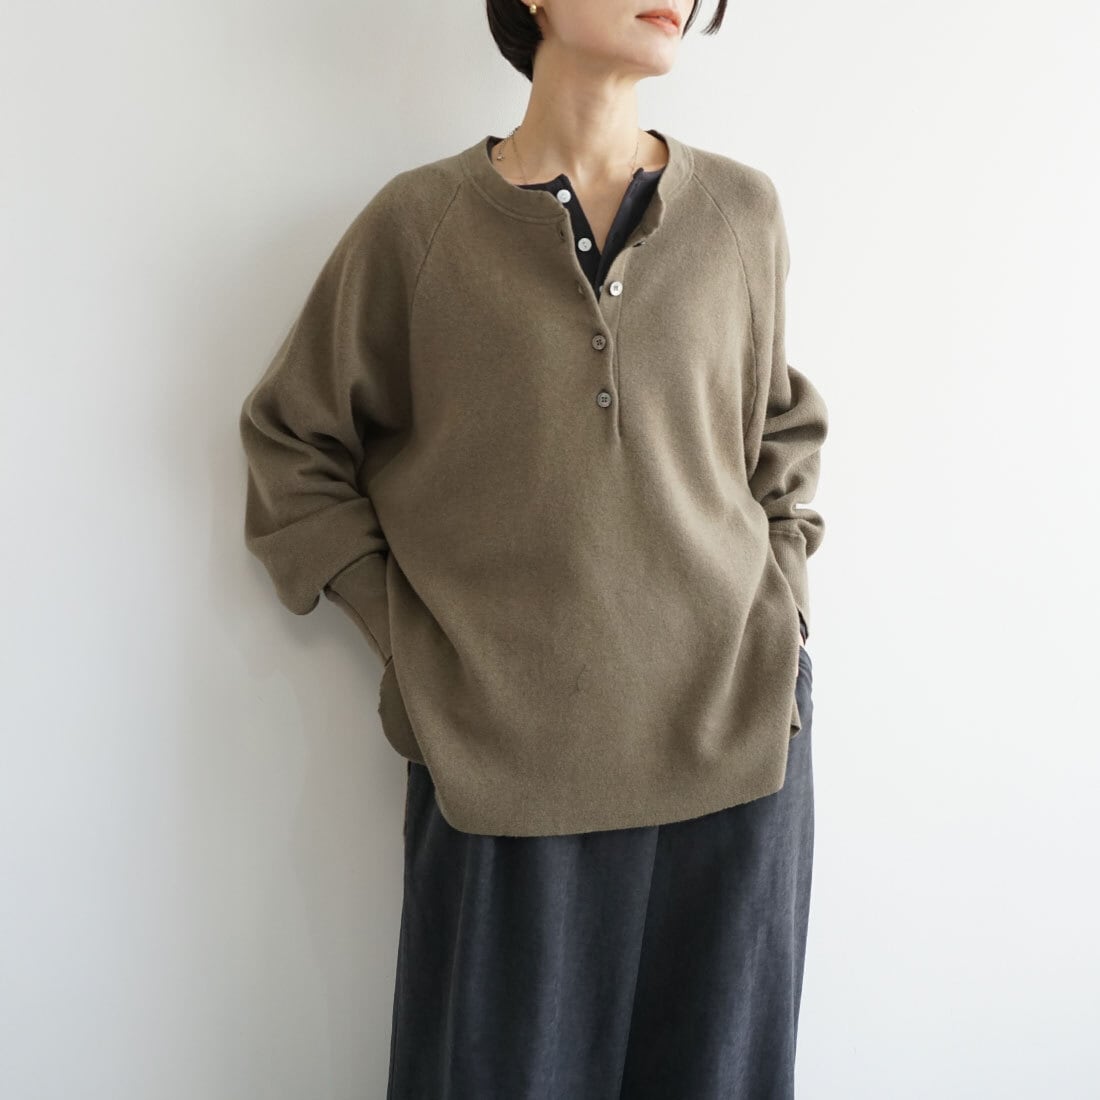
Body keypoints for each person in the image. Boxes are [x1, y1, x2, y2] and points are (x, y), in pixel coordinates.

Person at [238, 1, 829, 1095]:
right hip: (500, 767)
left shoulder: (740, 214)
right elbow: (292, 445)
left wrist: (785, 607)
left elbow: (779, 436)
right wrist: (412, 649)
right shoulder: (418, 227)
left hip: (738, 749)